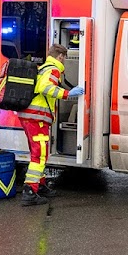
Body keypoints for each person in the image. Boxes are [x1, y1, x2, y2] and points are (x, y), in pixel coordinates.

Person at [17, 44, 84, 206]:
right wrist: (67, 94)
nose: (65, 60)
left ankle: (39, 185)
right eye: (65, 57)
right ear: (60, 56)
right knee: (39, 154)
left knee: (39, 153)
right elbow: (45, 88)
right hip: (36, 117)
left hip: (30, 116)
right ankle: (30, 191)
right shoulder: (53, 69)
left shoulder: (43, 68)